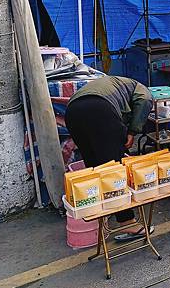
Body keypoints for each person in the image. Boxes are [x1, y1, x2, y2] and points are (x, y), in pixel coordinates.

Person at [65, 76, 153, 240]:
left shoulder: (115, 82)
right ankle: (127, 222)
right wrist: (133, 132)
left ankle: (100, 211)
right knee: (113, 169)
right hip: (100, 109)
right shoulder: (141, 89)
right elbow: (145, 101)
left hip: (72, 112)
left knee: (93, 165)